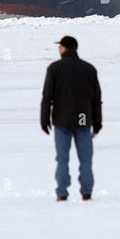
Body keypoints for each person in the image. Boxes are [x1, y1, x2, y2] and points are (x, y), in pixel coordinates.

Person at [40, 36, 102, 202]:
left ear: (66, 48)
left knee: (62, 158)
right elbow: (96, 99)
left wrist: (44, 118)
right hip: (83, 118)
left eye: (60, 46)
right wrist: (97, 123)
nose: (58, 49)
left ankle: (62, 192)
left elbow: (47, 96)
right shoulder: (89, 69)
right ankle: (87, 192)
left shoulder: (54, 68)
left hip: (62, 119)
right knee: (86, 158)